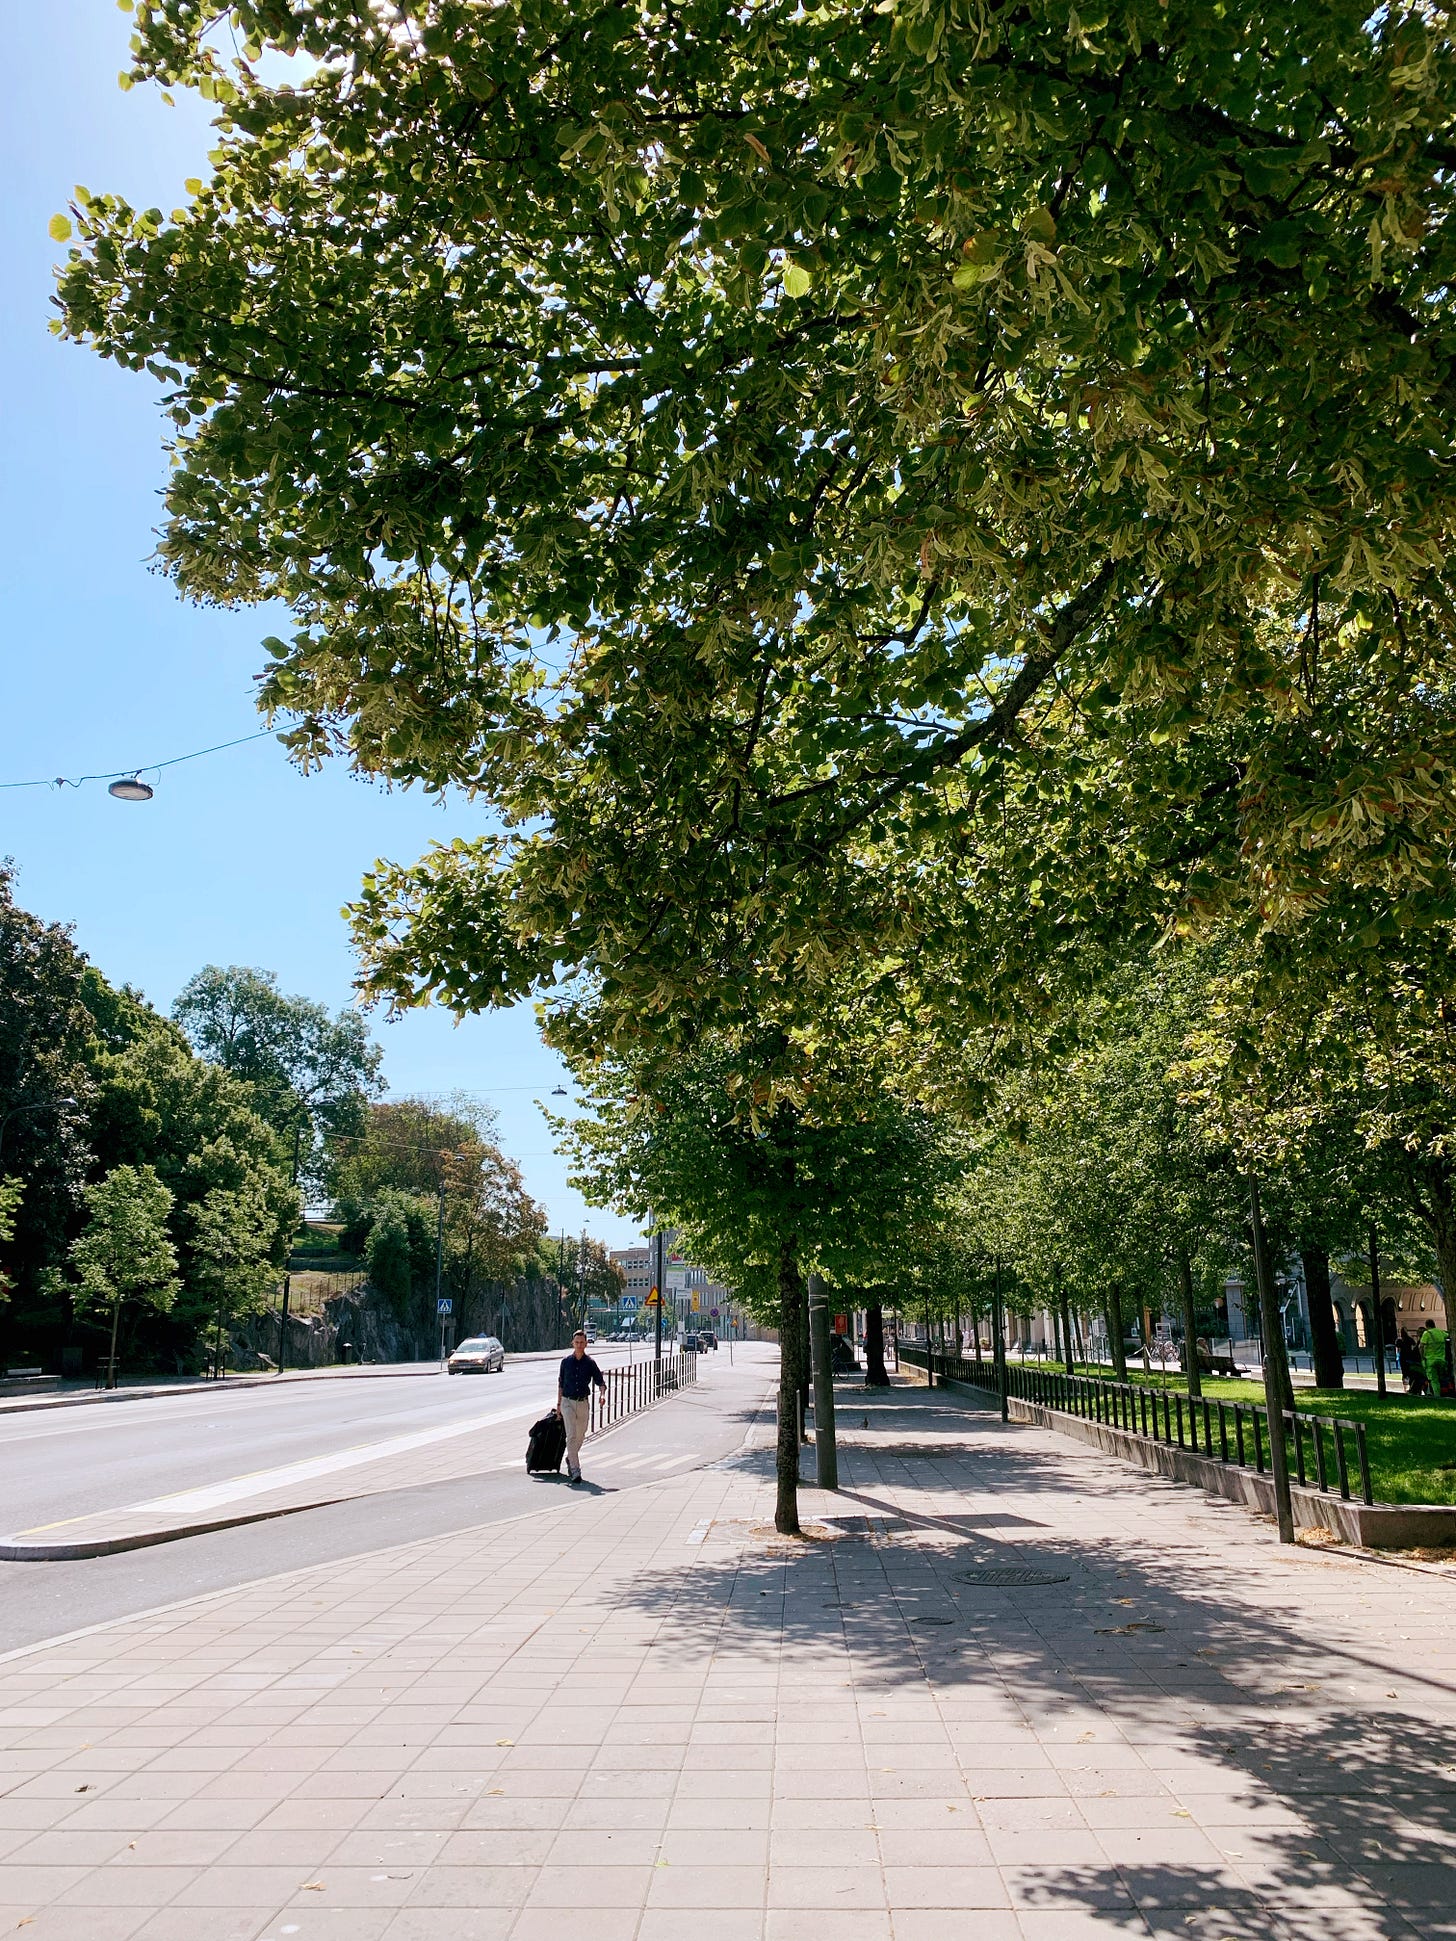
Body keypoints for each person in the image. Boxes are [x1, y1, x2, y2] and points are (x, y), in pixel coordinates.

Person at [557, 1329, 607, 1485]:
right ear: (573, 1343)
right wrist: (558, 1405)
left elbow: (601, 1382)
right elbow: (560, 1384)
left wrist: (602, 1395)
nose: (579, 1345)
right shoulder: (566, 1362)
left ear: (586, 1344)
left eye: (581, 1342)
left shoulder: (590, 1363)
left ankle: (571, 1457)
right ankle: (575, 1469)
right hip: (567, 1402)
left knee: (581, 1435)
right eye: (576, 1342)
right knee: (571, 1435)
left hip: (583, 1402)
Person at [1419, 1320, 1448, 1400]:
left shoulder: (1427, 1334)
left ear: (1427, 1326)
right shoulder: (1440, 1332)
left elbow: (1421, 1346)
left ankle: (1437, 1397)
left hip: (1430, 1360)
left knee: (1434, 1380)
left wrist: (1422, 1358)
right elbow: (1448, 1335)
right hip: (1442, 1360)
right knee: (1442, 1378)